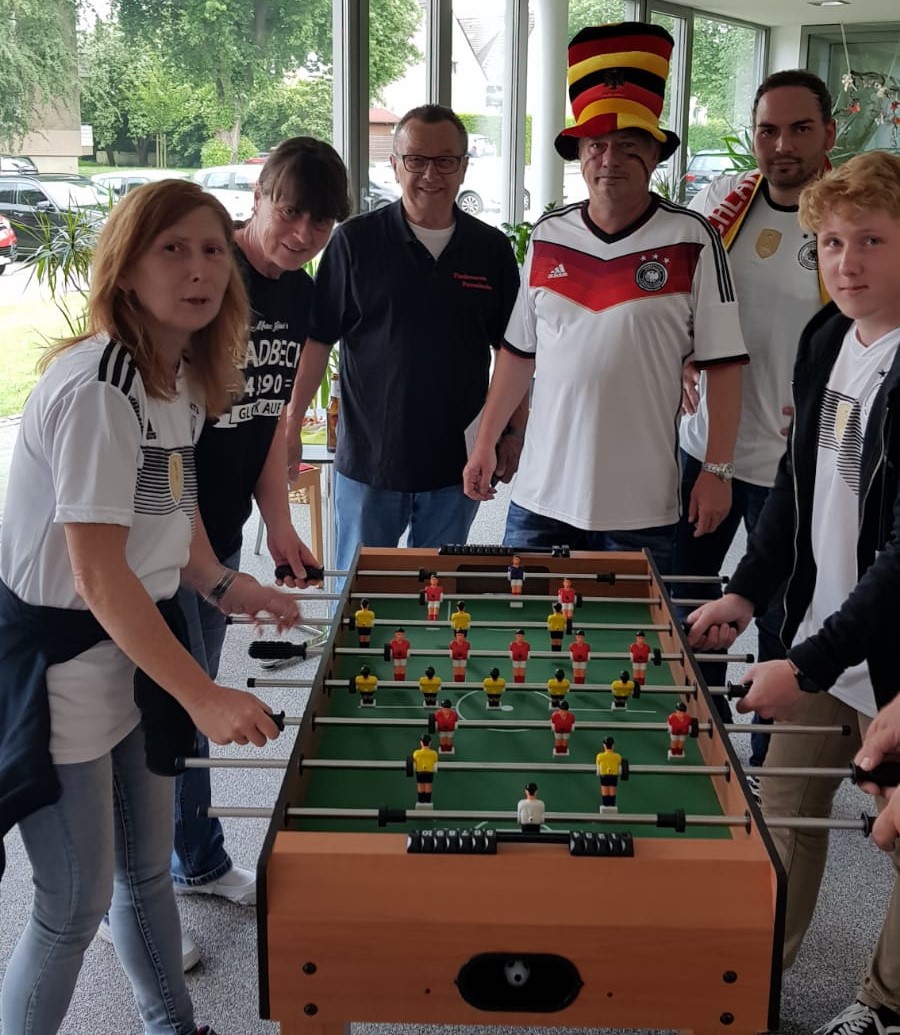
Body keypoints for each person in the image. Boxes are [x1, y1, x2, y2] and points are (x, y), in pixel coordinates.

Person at [0, 179, 294, 1035]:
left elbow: (174, 507)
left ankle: (175, 1024)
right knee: (71, 903)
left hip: (131, 653)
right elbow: (98, 574)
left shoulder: (177, 377)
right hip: (60, 667)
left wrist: (229, 584)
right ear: (125, 268)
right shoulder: (102, 387)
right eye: (172, 249)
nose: (199, 269)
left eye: (211, 250)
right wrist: (202, 694)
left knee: (147, 871)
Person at [687, 151, 900, 1035]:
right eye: (832, 243)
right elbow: (796, 482)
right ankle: (751, 974)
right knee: (783, 814)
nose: (847, 262)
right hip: (822, 628)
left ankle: (886, 1005)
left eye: (872, 241)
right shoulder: (826, 338)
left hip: (885, 652)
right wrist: (747, 592)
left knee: (898, 834)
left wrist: (806, 664)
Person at [464, 23, 746, 574]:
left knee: (633, 630)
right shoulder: (548, 236)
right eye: (596, 145)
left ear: (655, 155)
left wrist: (718, 470)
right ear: (580, 155)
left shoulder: (692, 239)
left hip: (641, 505)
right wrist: (485, 442)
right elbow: (519, 355)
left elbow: (726, 367)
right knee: (527, 623)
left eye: (628, 145)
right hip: (540, 498)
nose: (609, 159)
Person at [172, 138, 350, 922]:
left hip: (219, 529)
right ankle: (137, 891)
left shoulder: (300, 295)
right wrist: (212, 570)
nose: (303, 232)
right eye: (291, 210)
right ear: (260, 196)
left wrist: (277, 526)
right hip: (165, 534)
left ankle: (191, 862)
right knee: (173, 708)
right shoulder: (210, 282)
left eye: (321, 221)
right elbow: (162, 446)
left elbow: (269, 420)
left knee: (190, 704)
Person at [288, 104, 523, 571]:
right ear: (395, 165)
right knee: (357, 590)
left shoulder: (491, 250)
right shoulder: (354, 243)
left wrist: (513, 432)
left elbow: (514, 353)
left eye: (445, 160)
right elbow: (318, 342)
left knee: (436, 593)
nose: (430, 174)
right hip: (370, 462)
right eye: (416, 160)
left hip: (456, 464)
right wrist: (292, 425)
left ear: (463, 167)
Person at [675, 70, 836, 748]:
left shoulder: (846, 219)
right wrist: (682, 352)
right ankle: (697, 740)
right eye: (768, 130)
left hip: (792, 465)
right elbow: (683, 301)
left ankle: (768, 764)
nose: (782, 145)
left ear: (829, 134)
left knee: (777, 617)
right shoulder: (722, 203)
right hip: (704, 447)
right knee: (689, 603)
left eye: (800, 129)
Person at [595, 737, 622, 812]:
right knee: (612, 792)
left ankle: (606, 806)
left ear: (604, 745)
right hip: (613, 776)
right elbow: (619, 765)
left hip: (604, 776)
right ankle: (612, 806)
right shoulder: (618, 756)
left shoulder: (599, 756)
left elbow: (598, 765)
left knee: (605, 792)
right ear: (613, 745)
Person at [412, 734, 438, 808]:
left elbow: (414, 763)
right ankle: (427, 802)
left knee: (420, 786)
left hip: (420, 772)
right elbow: (435, 762)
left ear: (421, 742)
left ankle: (421, 802)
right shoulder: (434, 753)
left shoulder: (416, 753)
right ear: (430, 743)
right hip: (429, 772)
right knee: (428, 785)